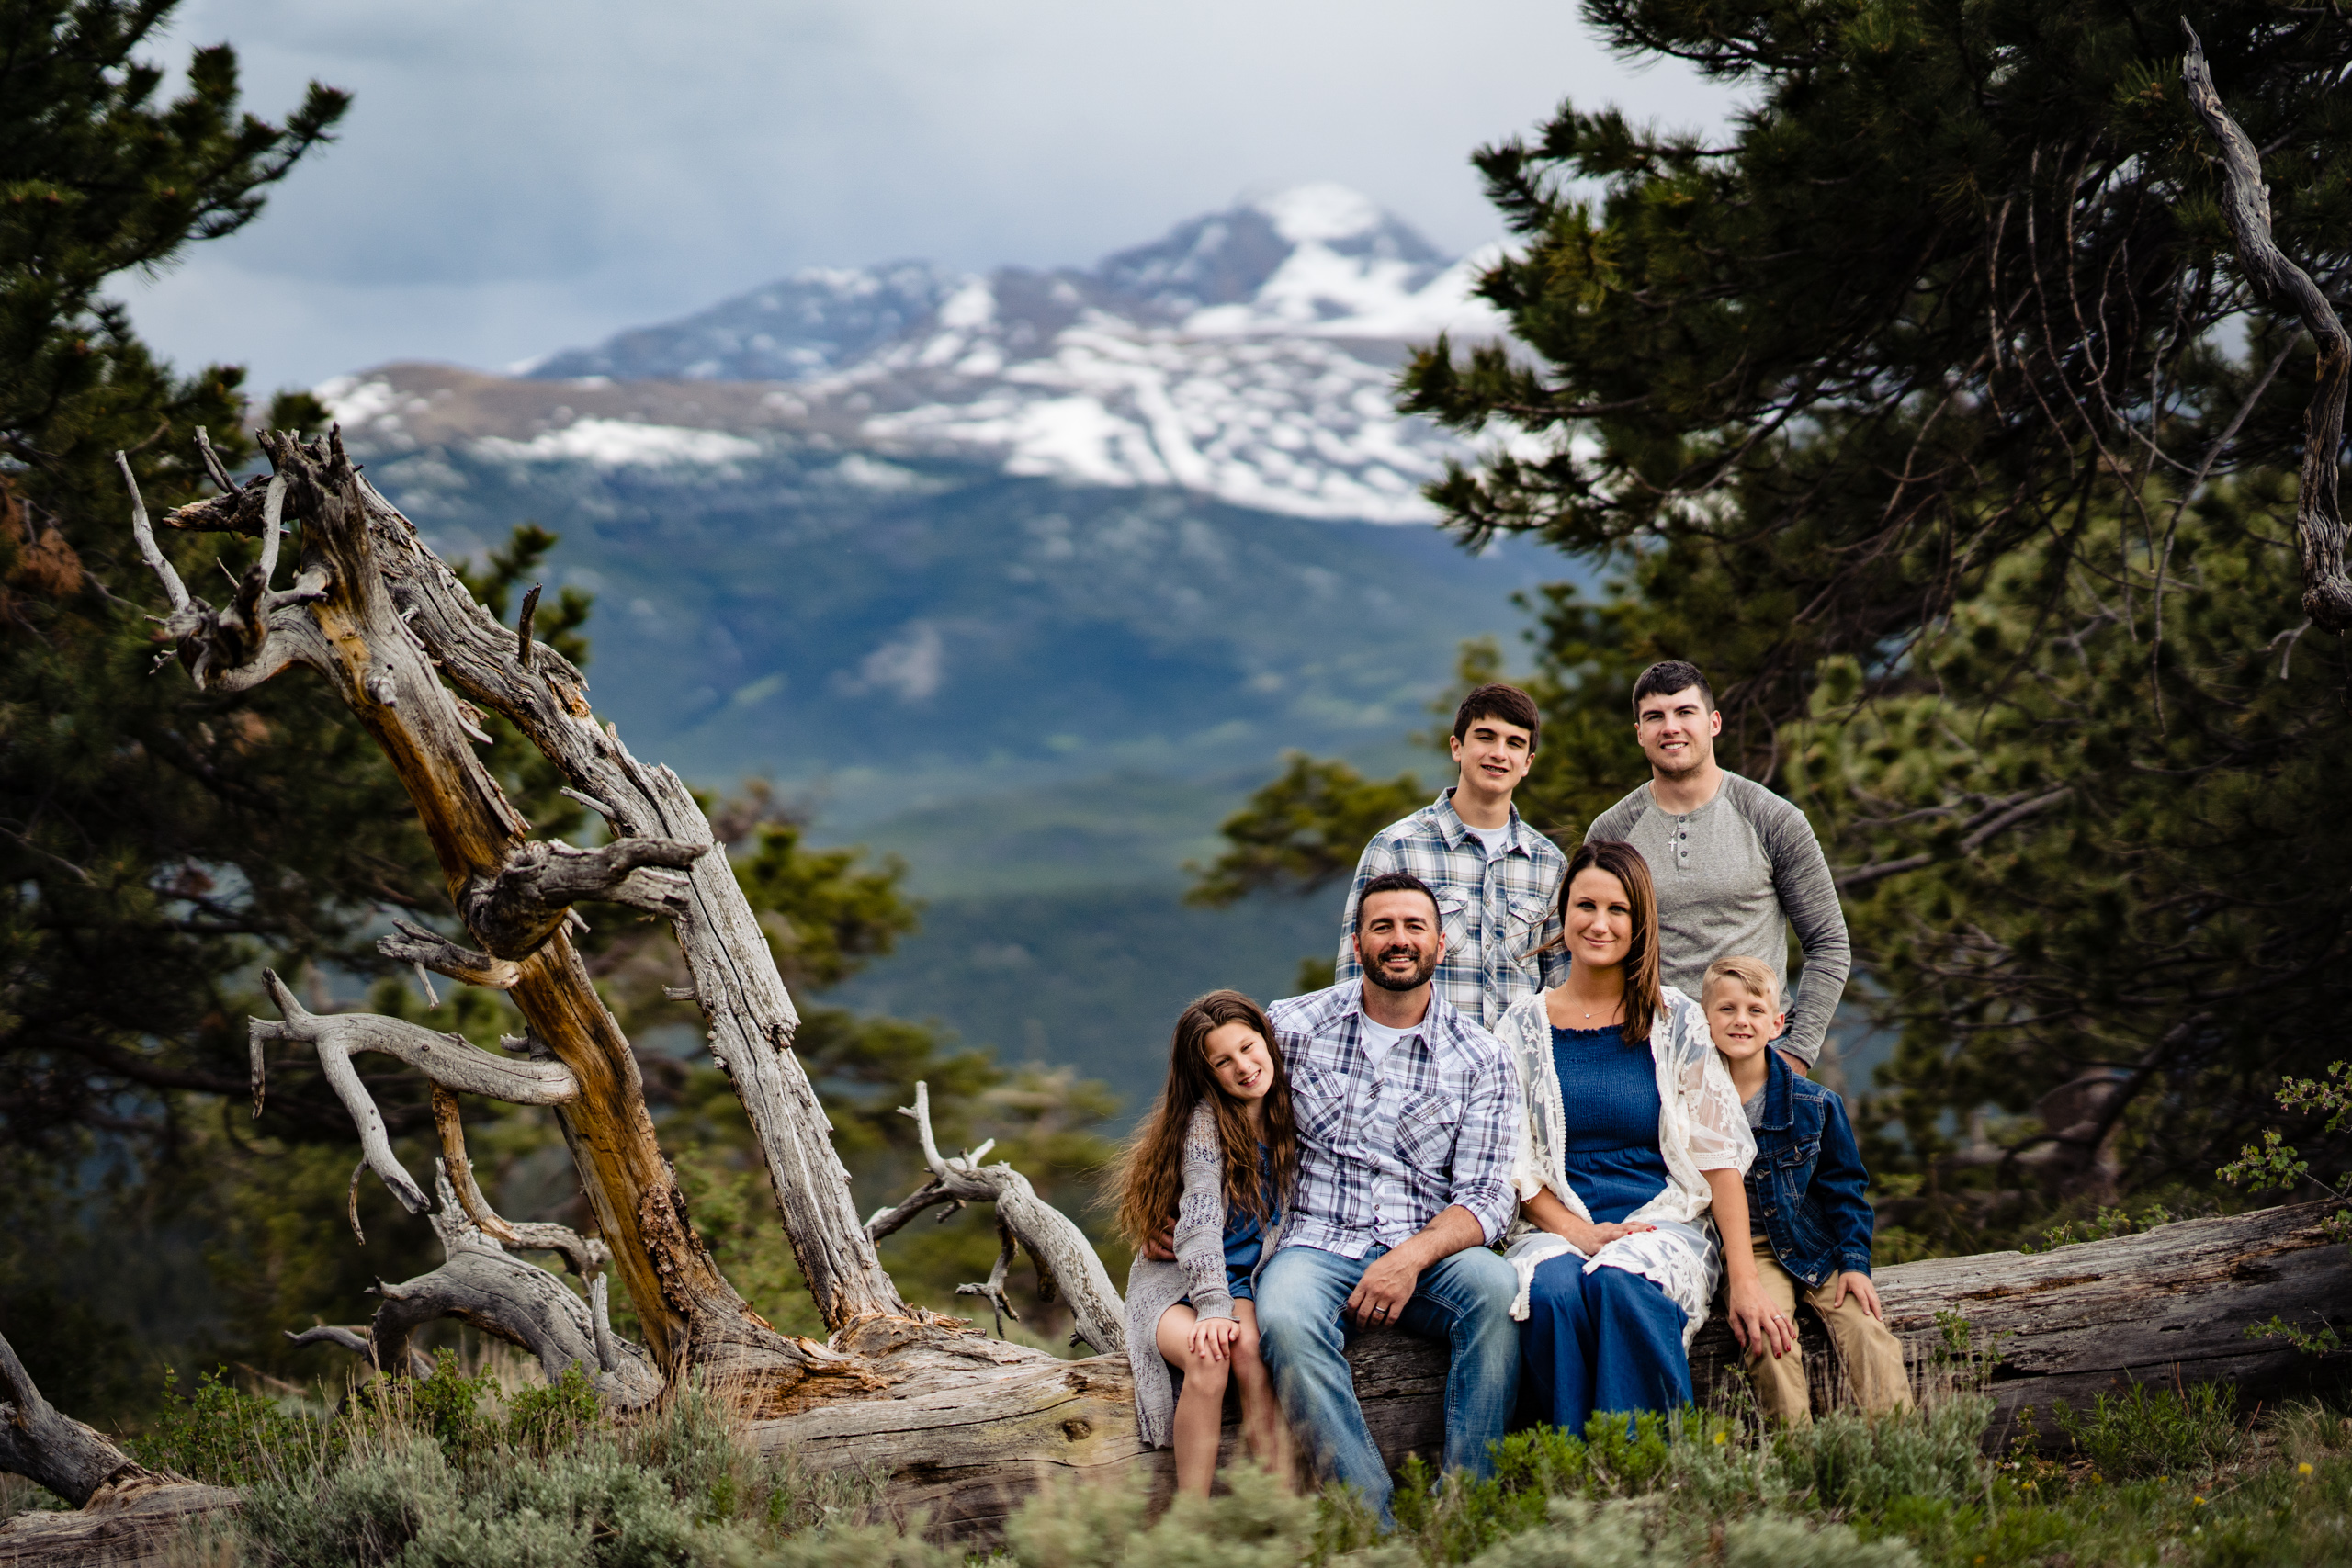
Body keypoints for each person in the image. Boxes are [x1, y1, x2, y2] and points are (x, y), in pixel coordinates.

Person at [1255, 871, 1521, 1525]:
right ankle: (1371, 1523)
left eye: (1412, 926)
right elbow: (1215, 1122)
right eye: (1383, 926)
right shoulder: (1289, 1027)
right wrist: (1172, 1208)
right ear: (1357, 939)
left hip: (1428, 1250)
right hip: (1315, 1239)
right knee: (1284, 1318)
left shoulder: (1483, 1056)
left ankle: (1465, 1506)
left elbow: (1488, 1196)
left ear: (1440, 942)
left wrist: (1410, 1258)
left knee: (1495, 1288)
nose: (1398, 940)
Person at [1493, 840, 1776, 1439]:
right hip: (1554, 1225)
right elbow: (1511, 1163)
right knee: (1553, 1294)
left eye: (1617, 909)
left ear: (1639, 921)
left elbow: (1720, 1155)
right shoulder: (1520, 1025)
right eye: (1584, 905)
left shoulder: (1675, 1017)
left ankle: (1642, 1476)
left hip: (1661, 1222)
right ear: (1562, 913)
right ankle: (1571, 1478)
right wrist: (1577, 1232)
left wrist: (1744, 1279)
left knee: (1621, 1282)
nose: (1599, 923)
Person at [1584, 660, 1851, 1075]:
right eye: (1654, 717)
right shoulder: (1613, 831)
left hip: (1755, 1063)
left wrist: (1795, 1055)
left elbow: (1828, 943)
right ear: (1639, 733)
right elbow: (1590, 953)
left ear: (1713, 722)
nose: (1670, 727)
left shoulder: (1773, 819)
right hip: (1651, 1064)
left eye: (1684, 712)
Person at [1702, 955, 1911, 1425]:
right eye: (1727, 1009)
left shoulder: (1815, 1104)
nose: (1741, 1021)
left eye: (1755, 1010)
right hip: (1748, 1254)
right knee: (1768, 1338)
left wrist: (1856, 1264)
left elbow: (1846, 1189)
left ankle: (1901, 1449)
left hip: (1813, 1242)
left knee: (1866, 1329)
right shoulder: (1692, 1103)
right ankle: (1798, 1462)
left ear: (1777, 1023)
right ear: (1705, 1019)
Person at [1115, 990, 1301, 1495]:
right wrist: (1214, 1308)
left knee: (1253, 1356)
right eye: (1223, 1060)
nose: (1243, 1066)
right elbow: (1196, 1228)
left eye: (1248, 1047)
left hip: (1242, 1282)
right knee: (1209, 1356)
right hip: (1178, 1285)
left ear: (1267, 1039)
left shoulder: (1294, 1110)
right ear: (1207, 1074)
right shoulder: (1206, 1125)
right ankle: (1190, 1521)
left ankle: (1280, 1509)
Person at [1335, 683, 1568, 1031]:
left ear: (1527, 763)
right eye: (1486, 737)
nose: (1499, 753)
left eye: (1514, 743)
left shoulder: (1549, 864)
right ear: (1457, 747)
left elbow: (1562, 983)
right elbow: (1353, 976)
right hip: (1423, 1068)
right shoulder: (1397, 848)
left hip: (1518, 1073)